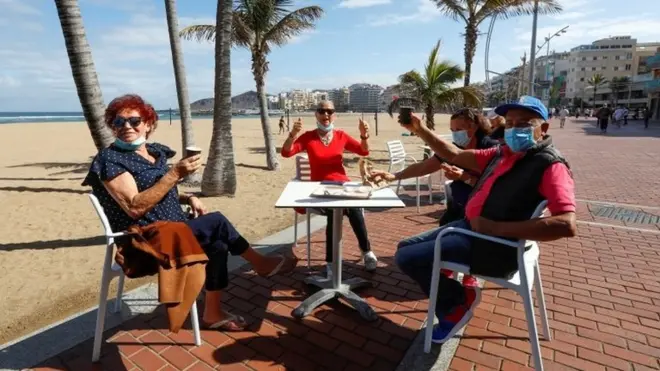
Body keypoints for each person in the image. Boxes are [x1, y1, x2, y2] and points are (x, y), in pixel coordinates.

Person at [82, 94, 296, 332]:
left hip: (177, 231)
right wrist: (175, 174)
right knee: (216, 221)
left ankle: (212, 314)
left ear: (149, 124)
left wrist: (189, 196)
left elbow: (158, 189)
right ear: (112, 127)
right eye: (118, 122)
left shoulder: (153, 152)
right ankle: (259, 263)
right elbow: (134, 207)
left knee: (218, 244)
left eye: (134, 120)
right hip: (145, 243)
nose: (126, 127)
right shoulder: (110, 159)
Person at [389, 96, 576, 344]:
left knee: (406, 258)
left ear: (544, 128)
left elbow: (566, 224)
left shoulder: (550, 165)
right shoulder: (502, 153)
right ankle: (458, 297)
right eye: (509, 123)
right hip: (470, 230)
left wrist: (496, 227)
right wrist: (419, 128)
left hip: (491, 246)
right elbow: (453, 153)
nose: (514, 129)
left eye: (524, 123)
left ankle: (457, 304)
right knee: (404, 247)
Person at [370, 108, 498, 288]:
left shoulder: (490, 148)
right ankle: (446, 267)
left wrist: (465, 177)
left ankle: (469, 278)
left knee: (448, 250)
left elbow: (495, 188)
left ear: (473, 127)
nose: (455, 135)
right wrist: (394, 176)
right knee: (413, 247)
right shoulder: (455, 148)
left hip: (479, 217)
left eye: (458, 130)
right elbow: (424, 167)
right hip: (456, 211)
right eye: (452, 131)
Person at [280, 100, 378, 275]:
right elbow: (286, 152)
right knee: (335, 210)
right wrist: (293, 134)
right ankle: (332, 261)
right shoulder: (308, 137)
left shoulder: (341, 136)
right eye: (321, 111)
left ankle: (365, 251)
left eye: (330, 111)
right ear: (316, 114)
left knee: (354, 208)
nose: (326, 114)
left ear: (335, 115)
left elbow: (364, 151)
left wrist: (364, 136)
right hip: (320, 190)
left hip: (342, 187)